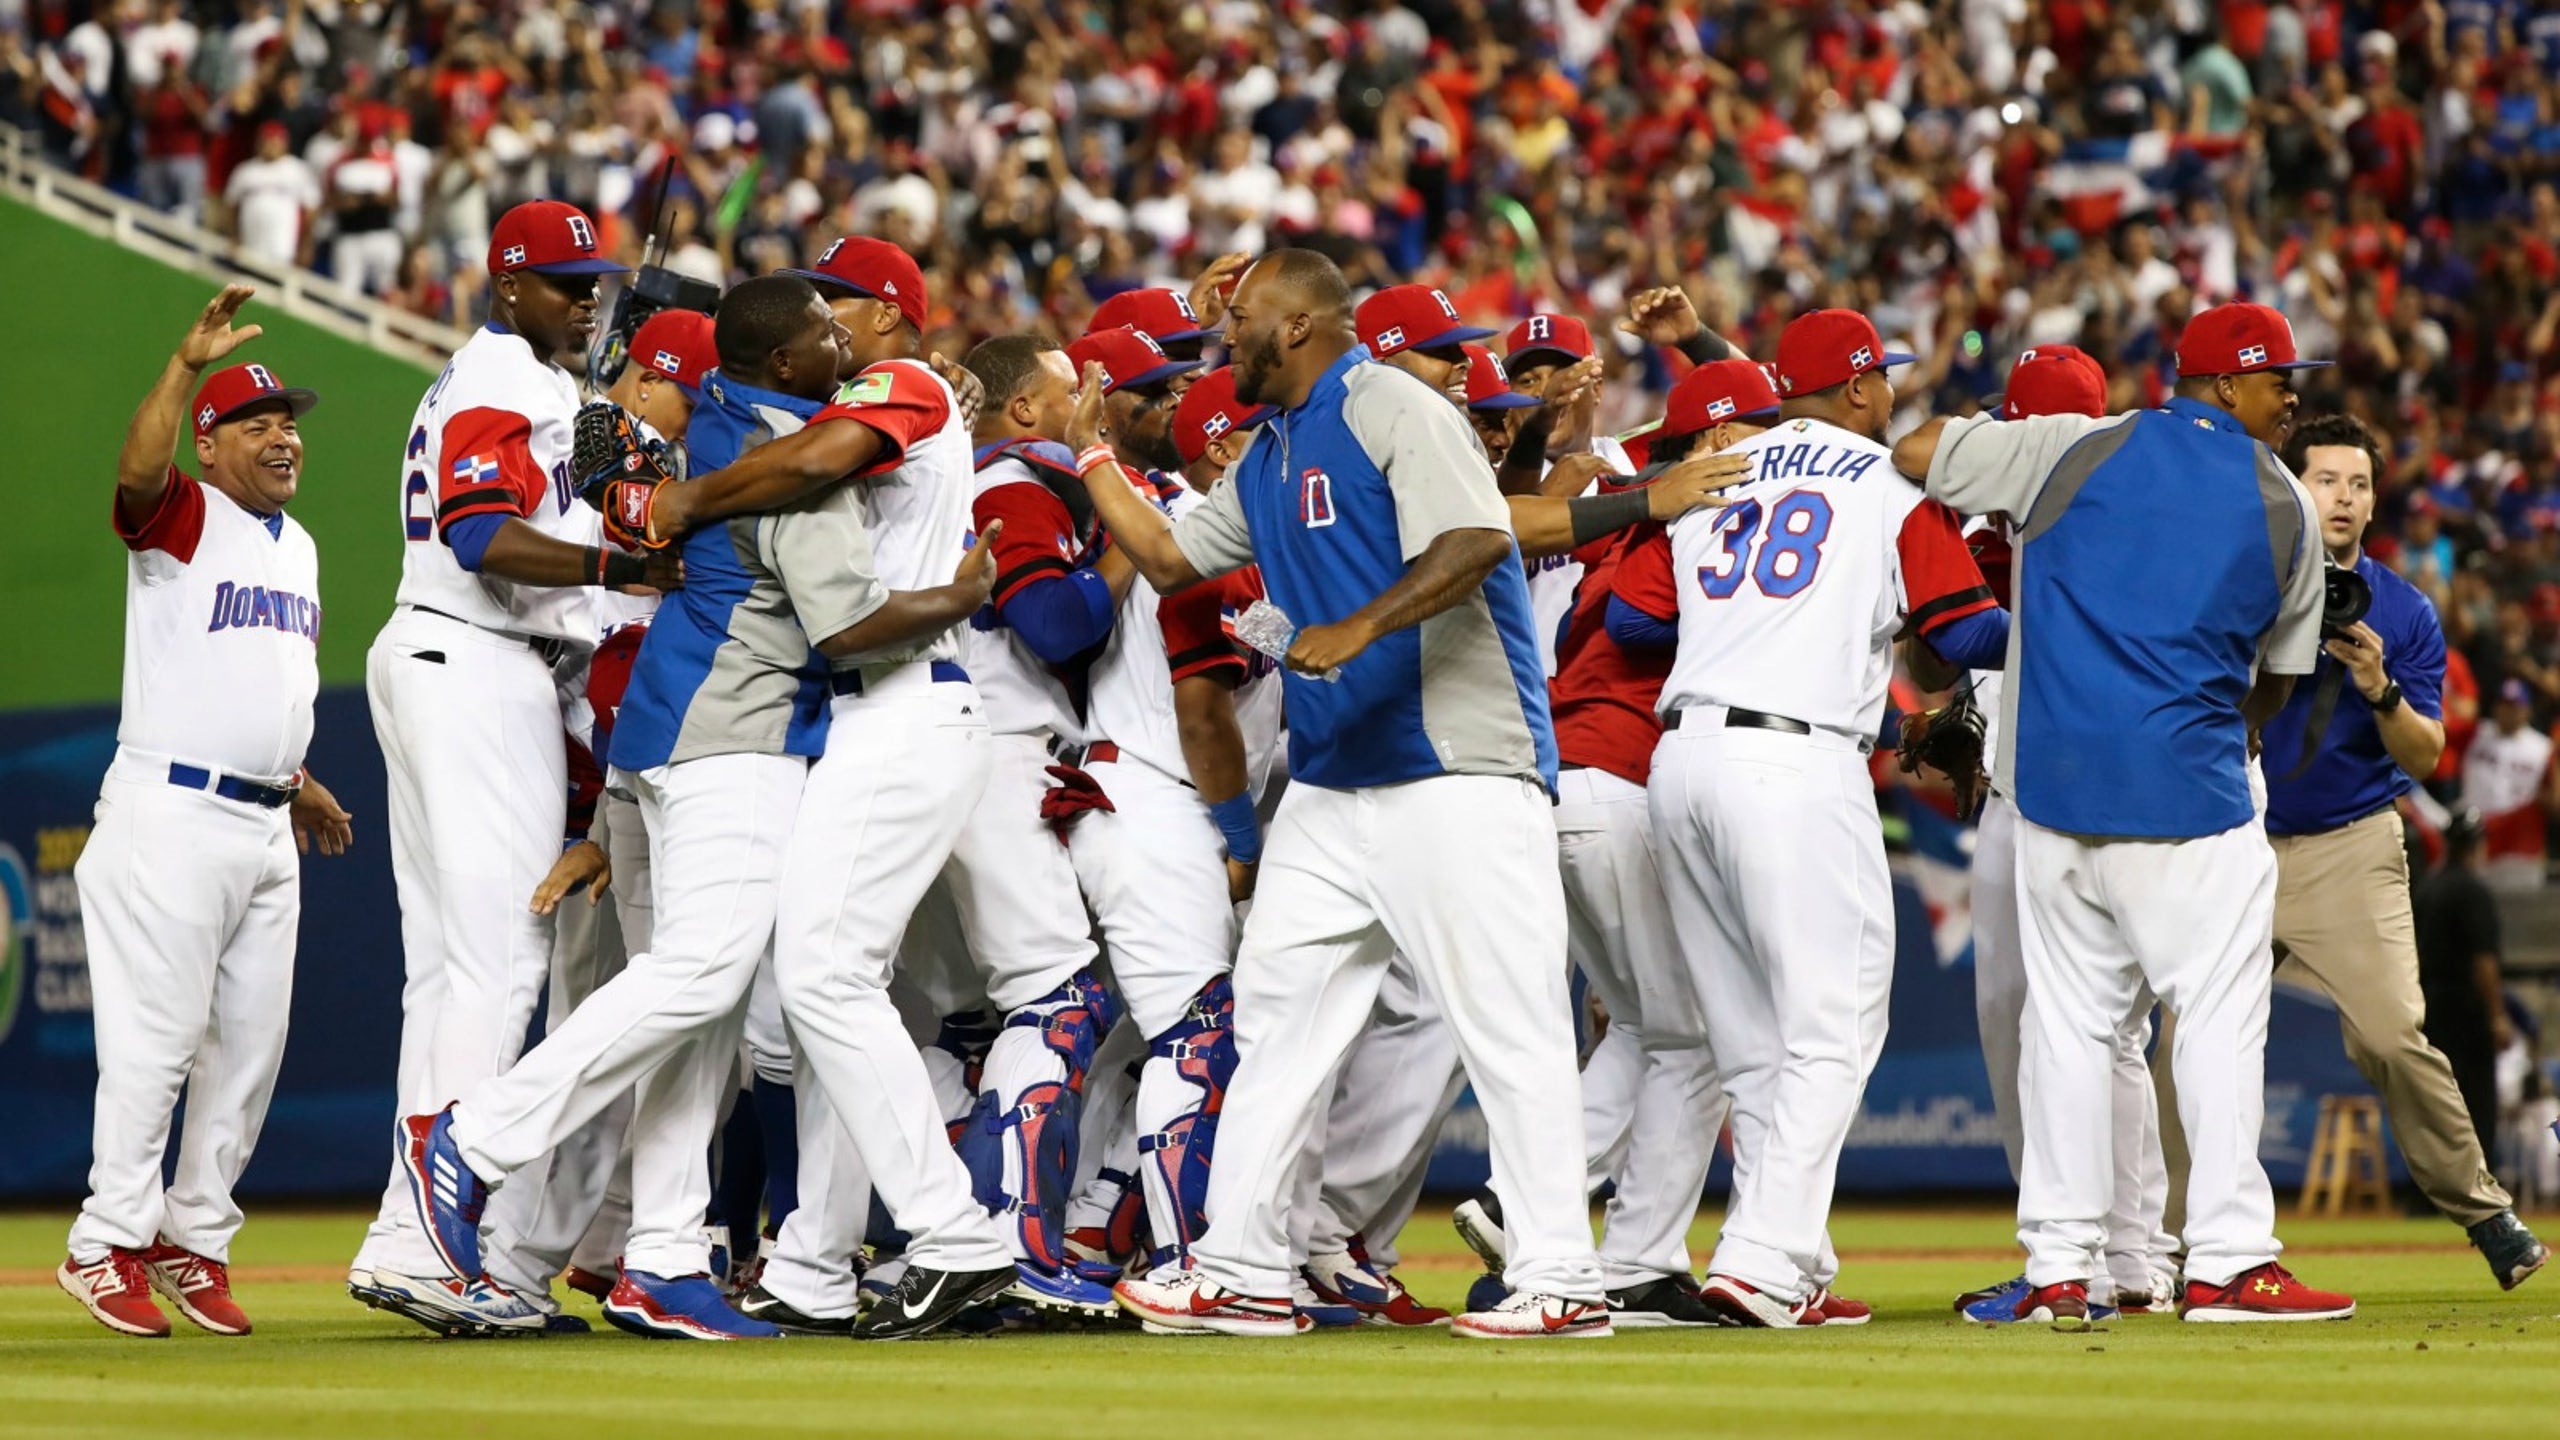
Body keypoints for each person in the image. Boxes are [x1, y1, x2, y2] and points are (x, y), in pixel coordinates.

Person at [395, 274, 1014, 1342]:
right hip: (739, 730)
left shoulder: (728, 417)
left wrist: (618, 462)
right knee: (704, 978)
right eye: (822, 332)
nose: (838, 341)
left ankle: (686, 1257)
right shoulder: (795, 460)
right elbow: (848, 625)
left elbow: (684, 419)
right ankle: (472, 1142)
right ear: (783, 363)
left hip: (689, 730)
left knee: (727, 1001)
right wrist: (962, 597)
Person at [1080, 249, 1611, 1340]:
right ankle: (1242, 1264)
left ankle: (1563, 1275)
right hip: (1332, 786)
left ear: (1294, 328)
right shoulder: (1269, 450)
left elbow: (1474, 538)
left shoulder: (1387, 400)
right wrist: (1088, 449)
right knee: (1279, 1025)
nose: (1220, 339)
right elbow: (1175, 560)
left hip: (1454, 767)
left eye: (1237, 324)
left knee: (1505, 1022)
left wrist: (1362, 625)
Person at [1897, 300, 2356, 1324]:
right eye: (2275, 377)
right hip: (2187, 789)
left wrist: (2023, 454)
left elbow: (1918, 448)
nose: (2291, 395)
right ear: (2223, 386)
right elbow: (2275, 684)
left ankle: (2062, 1266)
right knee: (2217, 1018)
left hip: (2053, 795)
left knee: (2066, 1030)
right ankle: (2229, 1261)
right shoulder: (2278, 492)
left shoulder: (2072, 448)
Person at [1607, 310, 2001, 1328]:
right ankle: (1761, 1258)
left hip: (1681, 761)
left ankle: (1790, 1256)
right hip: (1793, 761)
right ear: (1862, 388)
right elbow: (1964, 631)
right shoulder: (1886, 487)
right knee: (1834, 1024)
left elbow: (1636, 619)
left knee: (1750, 1041)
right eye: (1884, 381)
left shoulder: (1720, 467)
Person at [351, 199, 659, 1337]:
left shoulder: (508, 385)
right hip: (478, 656)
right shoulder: (506, 383)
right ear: (505, 285)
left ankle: (405, 1234)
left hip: (441, 652)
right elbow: (486, 535)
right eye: (565, 281)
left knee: (443, 973)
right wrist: (625, 549)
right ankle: (441, 1238)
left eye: (596, 282)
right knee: (494, 967)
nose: (588, 298)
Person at [58, 288, 354, 1340]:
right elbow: (136, 473)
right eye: (258, 423)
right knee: (158, 1043)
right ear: (211, 444)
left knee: (247, 1050)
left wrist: (300, 773)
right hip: (170, 812)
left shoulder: (299, 546)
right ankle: (104, 1245)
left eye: (289, 423)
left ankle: (194, 1241)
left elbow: (256, 676)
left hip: (263, 823)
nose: (283, 438)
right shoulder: (184, 513)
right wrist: (184, 369)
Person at [2244, 413, 2546, 1289]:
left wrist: (2375, 684)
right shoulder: (2242, 583)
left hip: (2350, 843)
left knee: (2390, 1034)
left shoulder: (2405, 610)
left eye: (2358, 484)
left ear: (2375, 502)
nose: (2342, 498)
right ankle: (2165, 1241)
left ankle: (2484, 1212)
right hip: (2237, 841)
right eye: (2326, 480)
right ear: (2294, 488)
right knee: (2187, 1039)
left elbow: (2426, 756)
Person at [1924, 346, 2185, 1322]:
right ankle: (2064, 1249)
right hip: (2006, 794)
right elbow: (1935, 641)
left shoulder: (2127, 517)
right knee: (2014, 1021)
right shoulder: (1987, 531)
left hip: (2095, 791)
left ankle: (2130, 1253)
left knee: (2106, 1030)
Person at [484, 305, 719, 1311]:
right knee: (606, 1024)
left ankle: (589, 1248)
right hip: (599, 760)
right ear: (659, 383)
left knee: (658, 1027)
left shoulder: (625, 448)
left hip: (615, 767)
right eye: (693, 394)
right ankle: (511, 1254)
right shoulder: (604, 449)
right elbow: (599, 474)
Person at [1055, 359, 1282, 1285]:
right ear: (1227, 446)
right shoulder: (1201, 538)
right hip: (1159, 801)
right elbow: (1203, 713)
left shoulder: (1232, 547)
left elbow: (1277, 650)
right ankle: (1188, 1262)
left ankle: (1091, 1222)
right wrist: (1242, 838)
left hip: (1136, 800)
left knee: (1137, 1040)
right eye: (1273, 433)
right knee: (1201, 1033)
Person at [2417, 811, 2515, 1174]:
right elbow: (2484, 962)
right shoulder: (2474, 891)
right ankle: (2480, 1191)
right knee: (2476, 1102)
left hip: (2427, 1005)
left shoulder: (2428, 887)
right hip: (2466, 1010)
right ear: (2477, 844)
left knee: (2433, 1102)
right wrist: (2497, 1016)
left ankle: (2424, 1192)